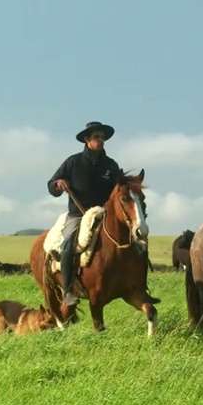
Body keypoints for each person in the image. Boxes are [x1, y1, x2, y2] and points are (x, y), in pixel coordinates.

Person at [47, 121, 124, 315]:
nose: (101, 141)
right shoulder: (73, 162)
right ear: (87, 140)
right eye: (97, 137)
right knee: (68, 243)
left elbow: (120, 187)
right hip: (78, 215)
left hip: (104, 214)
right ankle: (67, 291)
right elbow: (51, 185)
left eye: (102, 138)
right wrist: (58, 183)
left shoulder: (111, 165)